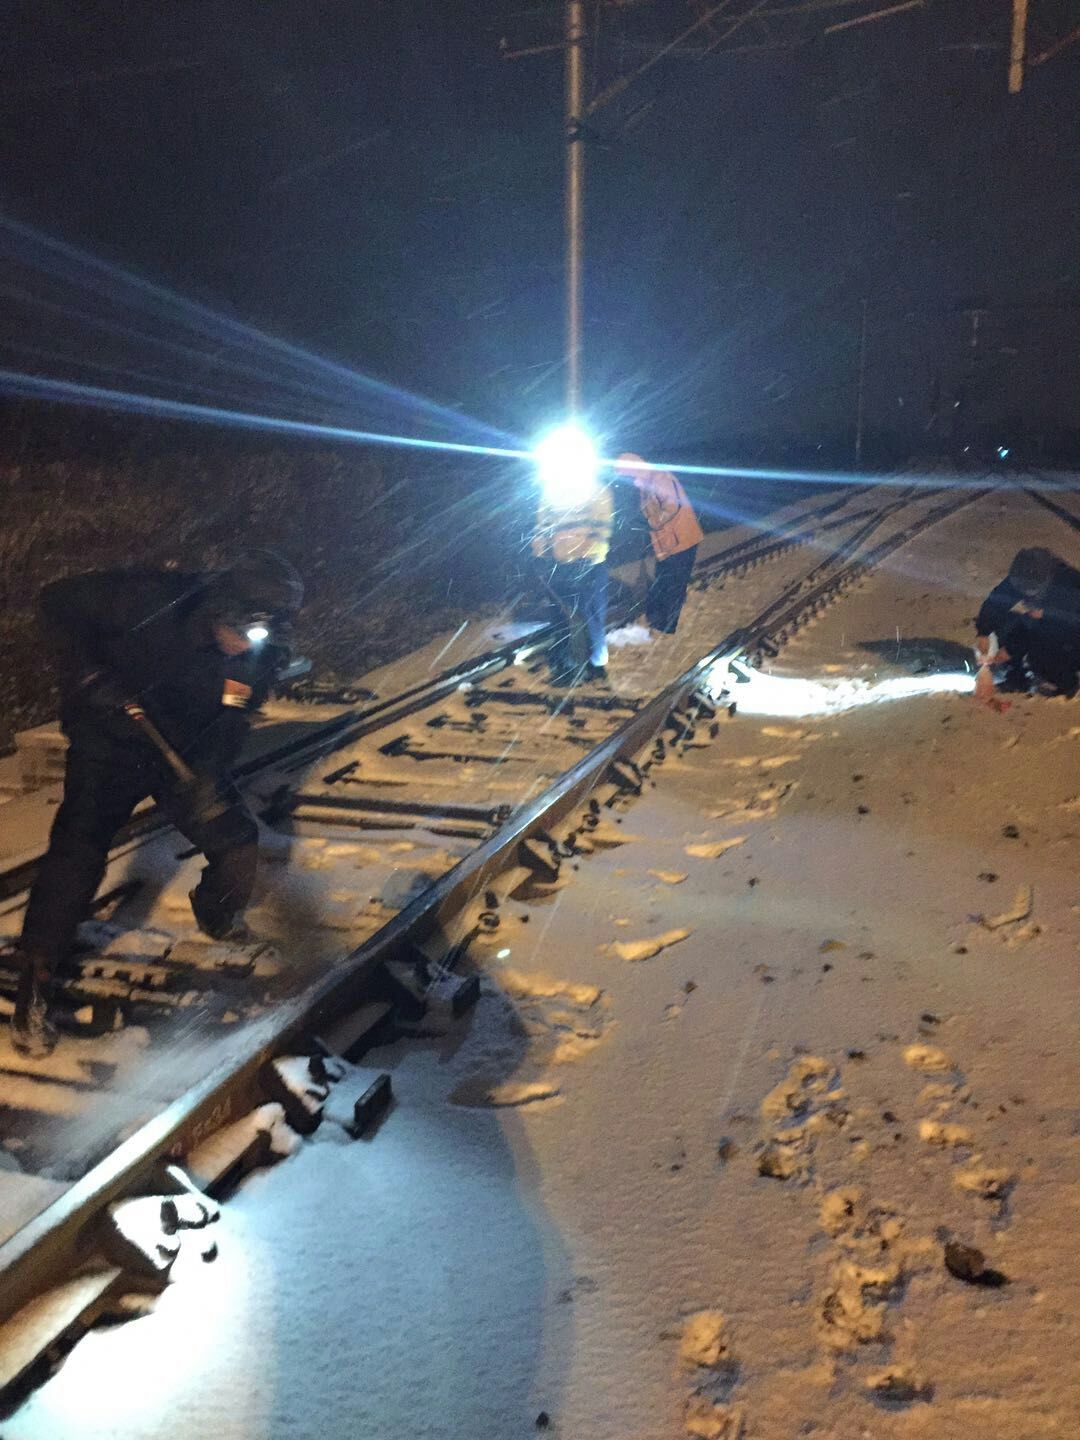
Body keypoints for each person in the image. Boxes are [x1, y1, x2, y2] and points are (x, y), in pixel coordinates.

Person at [9, 550, 303, 1057]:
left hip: (180, 755)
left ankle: (217, 916)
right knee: (77, 854)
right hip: (108, 744)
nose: (242, 647)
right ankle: (35, 978)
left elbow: (232, 719)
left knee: (237, 842)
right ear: (221, 608)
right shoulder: (150, 599)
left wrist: (207, 774)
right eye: (240, 632)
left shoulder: (258, 656)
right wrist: (88, 674)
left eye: (257, 639)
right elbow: (54, 602)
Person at [532, 476, 614, 685]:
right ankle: (566, 666)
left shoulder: (595, 489)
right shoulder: (551, 489)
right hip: (560, 562)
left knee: (589, 616)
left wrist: (589, 554)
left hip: (589, 563)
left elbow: (602, 527)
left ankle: (595, 665)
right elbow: (543, 525)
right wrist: (541, 554)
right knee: (561, 616)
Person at [974, 546, 1080, 703]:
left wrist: (1010, 649)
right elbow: (996, 603)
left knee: (1042, 653)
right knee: (1005, 625)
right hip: (1045, 622)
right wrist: (984, 633)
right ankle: (1017, 678)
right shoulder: (1023, 576)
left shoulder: (1067, 585)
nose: (1024, 593)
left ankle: (1065, 683)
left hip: (1071, 634)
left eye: (1031, 591)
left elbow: (1041, 628)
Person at [616, 453, 704, 636]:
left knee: (673, 585)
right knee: (663, 581)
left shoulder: (660, 478)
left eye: (627, 473)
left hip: (682, 539)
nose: (627, 478)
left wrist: (652, 522)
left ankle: (667, 628)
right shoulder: (645, 483)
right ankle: (658, 621)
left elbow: (672, 506)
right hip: (667, 542)